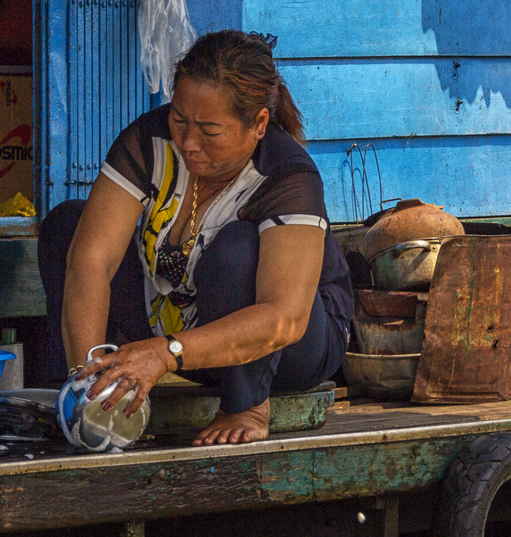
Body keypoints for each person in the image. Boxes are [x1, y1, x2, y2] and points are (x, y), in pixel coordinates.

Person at [38, 30, 351, 445]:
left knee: (239, 248)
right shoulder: (148, 142)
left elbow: (284, 319)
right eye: (180, 119)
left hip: (291, 349)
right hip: (180, 329)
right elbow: (93, 261)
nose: (187, 142)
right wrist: (90, 384)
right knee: (68, 224)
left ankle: (247, 404)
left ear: (258, 124)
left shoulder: (288, 174)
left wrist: (164, 353)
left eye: (209, 130)